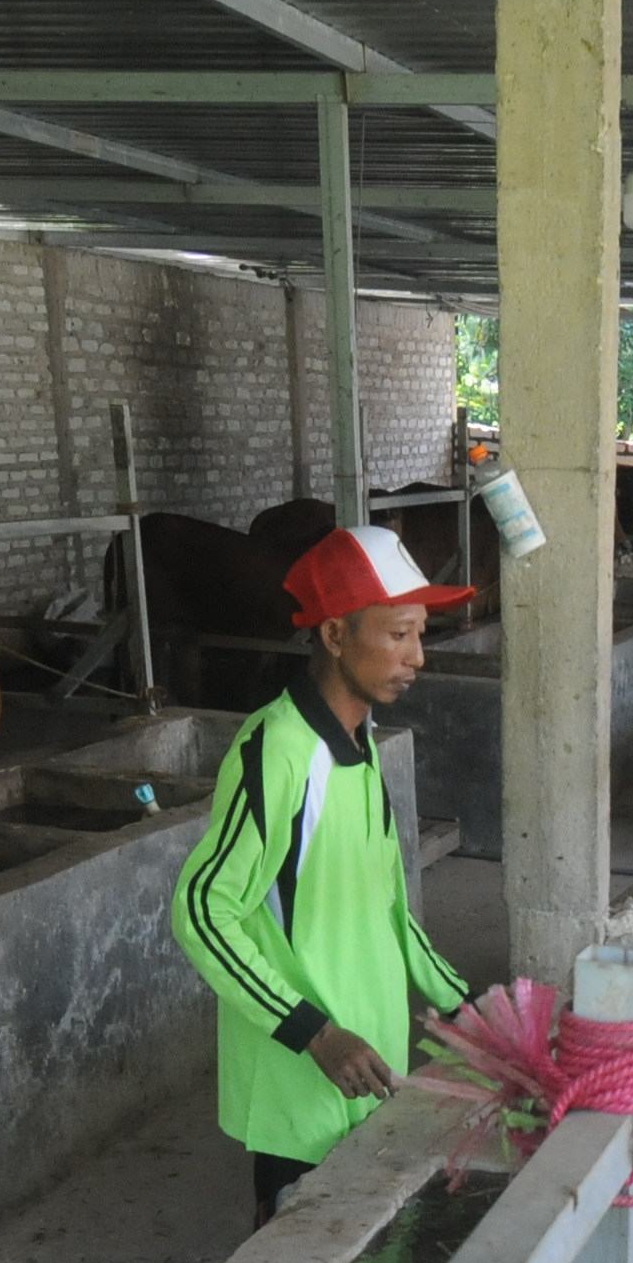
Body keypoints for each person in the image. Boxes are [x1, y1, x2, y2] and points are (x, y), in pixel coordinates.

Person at [172, 523, 476, 1223]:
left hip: (369, 1066)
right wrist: (313, 1031)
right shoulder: (277, 750)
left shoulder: (361, 743)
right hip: (303, 1076)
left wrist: (469, 1011)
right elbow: (201, 911)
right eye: (397, 635)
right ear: (335, 636)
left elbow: (388, 911)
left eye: (420, 634)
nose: (417, 657)